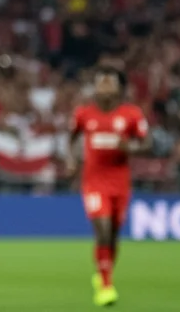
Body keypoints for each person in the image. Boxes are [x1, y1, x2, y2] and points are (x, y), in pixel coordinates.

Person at [68, 66, 149, 307]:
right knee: (102, 229)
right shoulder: (84, 114)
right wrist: (71, 160)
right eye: (100, 82)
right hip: (94, 181)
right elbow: (71, 138)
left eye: (109, 82)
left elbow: (148, 143)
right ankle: (105, 286)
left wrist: (131, 147)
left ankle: (104, 271)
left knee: (113, 233)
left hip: (120, 182)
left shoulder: (131, 114)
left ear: (119, 88)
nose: (104, 86)